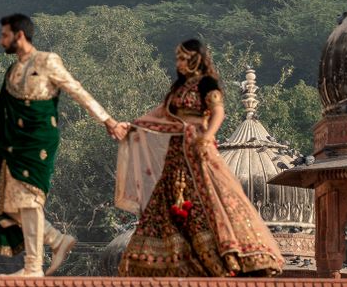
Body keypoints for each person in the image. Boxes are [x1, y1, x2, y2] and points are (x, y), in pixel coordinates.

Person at [115, 39, 284, 277]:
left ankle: (230, 256)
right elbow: (161, 115)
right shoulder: (178, 89)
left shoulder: (207, 84)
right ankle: (173, 262)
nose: (179, 63)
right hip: (177, 154)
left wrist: (208, 137)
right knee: (170, 200)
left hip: (199, 150)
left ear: (196, 59)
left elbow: (218, 112)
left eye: (184, 58)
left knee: (213, 198)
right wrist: (132, 126)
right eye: (178, 58)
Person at [0, 13, 129, 277]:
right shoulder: (13, 71)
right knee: (10, 205)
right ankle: (56, 240)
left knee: (29, 199)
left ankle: (33, 266)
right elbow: (1, 110)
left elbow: (77, 90)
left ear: (20, 35)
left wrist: (108, 120)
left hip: (39, 140)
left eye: (4, 35)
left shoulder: (47, 61)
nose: (0, 40)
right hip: (13, 144)